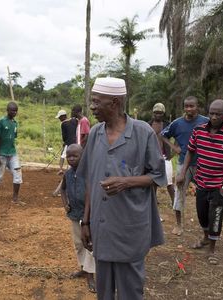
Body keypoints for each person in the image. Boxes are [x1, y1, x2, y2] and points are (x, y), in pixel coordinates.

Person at [79, 77, 166, 299]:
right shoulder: (96, 133)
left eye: (97, 102)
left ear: (115, 103)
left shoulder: (142, 132)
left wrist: (125, 182)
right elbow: (90, 179)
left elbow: (157, 176)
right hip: (102, 225)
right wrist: (86, 221)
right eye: (92, 101)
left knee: (130, 291)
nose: (92, 107)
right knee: (104, 290)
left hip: (130, 226)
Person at [177, 99, 223, 265]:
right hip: (201, 182)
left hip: (219, 185)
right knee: (202, 214)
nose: (214, 117)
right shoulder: (199, 130)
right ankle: (206, 237)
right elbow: (190, 152)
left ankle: (212, 249)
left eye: (218, 114)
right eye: (211, 113)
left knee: (215, 216)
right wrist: (183, 172)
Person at [161, 96, 208, 236]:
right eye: (186, 106)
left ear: (197, 106)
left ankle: (206, 226)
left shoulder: (206, 121)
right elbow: (163, 135)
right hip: (183, 164)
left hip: (202, 163)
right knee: (179, 193)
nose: (188, 109)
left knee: (205, 194)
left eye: (191, 106)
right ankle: (179, 224)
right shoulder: (177, 123)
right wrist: (174, 148)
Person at [60, 144, 96, 293]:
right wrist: (65, 204)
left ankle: (90, 275)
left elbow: (92, 195)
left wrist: (87, 218)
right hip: (74, 215)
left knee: (89, 244)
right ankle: (83, 268)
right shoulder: (67, 174)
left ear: (83, 157)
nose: (71, 159)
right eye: (69, 156)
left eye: (75, 156)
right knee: (78, 244)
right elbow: (62, 189)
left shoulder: (88, 174)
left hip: (88, 216)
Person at [0, 102, 23, 204]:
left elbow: (13, 138)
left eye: (16, 111)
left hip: (12, 153)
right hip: (2, 154)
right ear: (7, 110)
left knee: (18, 175)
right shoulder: (1, 122)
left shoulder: (15, 123)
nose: (14, 112)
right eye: (12, 110)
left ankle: (15, 199)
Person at [148, 103, 174, 207]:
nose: (157, 115)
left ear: (163, 114)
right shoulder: (148, 125)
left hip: (165, 156)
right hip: (152, 156)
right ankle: (154, 202)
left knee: (169, 181)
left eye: (160, 113)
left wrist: (174, 151)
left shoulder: (168, 125)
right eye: (156, 113)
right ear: (153, 113)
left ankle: (174, 202)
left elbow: (177, 136)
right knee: (153, 181)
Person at [52, 109, 78, 196]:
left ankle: (61, 188)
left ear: (63, 116)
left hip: (68, 144)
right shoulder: (75, 120)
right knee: (71, 163)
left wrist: (65, 142)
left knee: (65, 159)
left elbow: (64, 136)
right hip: (76, 145)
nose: (59, 119)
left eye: (60, 117)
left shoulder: (63, 123)